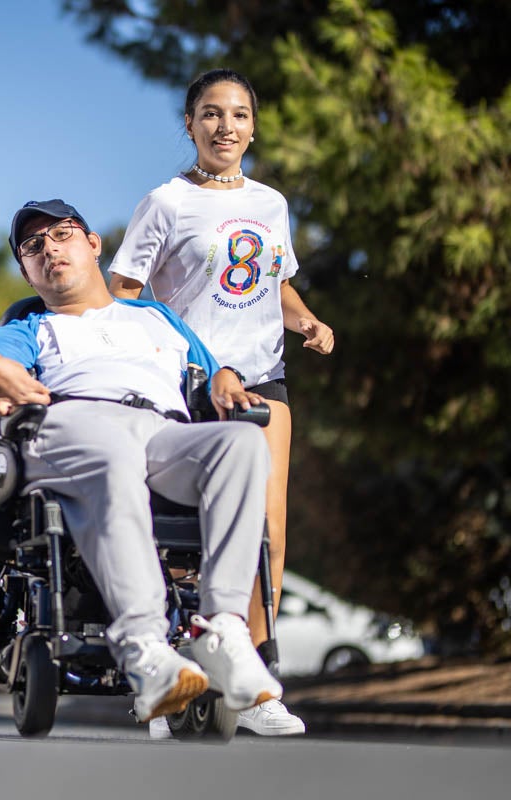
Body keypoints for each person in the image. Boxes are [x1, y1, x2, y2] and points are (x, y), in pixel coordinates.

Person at [0, 199, 283, 728]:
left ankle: (222, 629)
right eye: (34, 246)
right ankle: (145, 648)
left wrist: (224, 377)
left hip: (163, 432)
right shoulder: (32, 326)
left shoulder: (156, 318)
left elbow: (209, 369)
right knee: (112, 450)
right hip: (71, 427)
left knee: (241, 446)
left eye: (61, 234)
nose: (50, 249)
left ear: (92, 244)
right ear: (26, 270)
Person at [108, 68, 334, 736]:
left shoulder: (271, 204)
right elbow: (123, 288)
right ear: (190, 124)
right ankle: (176, 666)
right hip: (188, 383)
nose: (225, 127)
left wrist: (309, 322)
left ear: (253, 126)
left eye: (237, 115)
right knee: (183, 534)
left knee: (269, 531)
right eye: (210, 114)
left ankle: (259, 682)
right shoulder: (166, 202)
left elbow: (274, 285)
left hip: (263, 377)